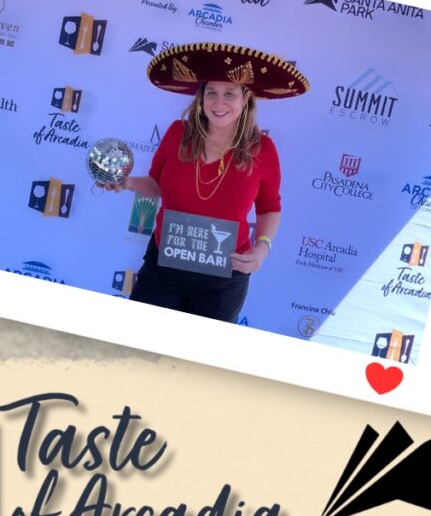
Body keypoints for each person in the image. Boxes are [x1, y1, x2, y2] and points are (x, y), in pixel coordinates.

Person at [104, 42, 309, 323]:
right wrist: (127, 183)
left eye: (229, 94)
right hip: (164, 267)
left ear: (245, 99)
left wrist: (262, 247)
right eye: (211, 93)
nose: (219, 102)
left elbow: (269, 207)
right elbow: (156, 185)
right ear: (201, 98)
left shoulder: (263, 149)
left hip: (223, 280)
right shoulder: (178, 133)